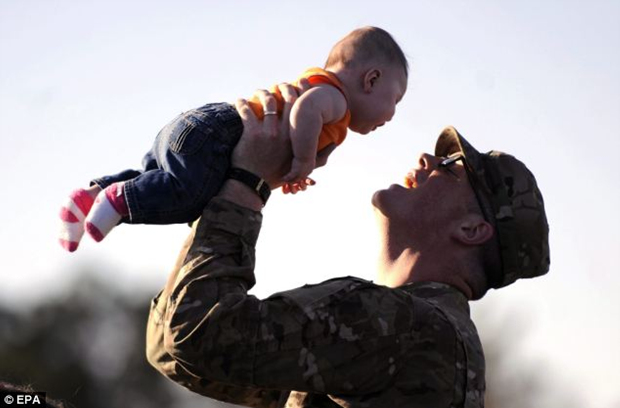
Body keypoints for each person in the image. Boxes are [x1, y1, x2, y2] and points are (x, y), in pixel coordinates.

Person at [144, 86, 550, 407]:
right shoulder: (414, 333)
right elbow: (174, 352)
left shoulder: (404, 326)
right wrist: (228, 185)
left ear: (471, 229)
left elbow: (198, 333)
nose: (426, 159)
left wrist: (247, 181)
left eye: (449, 167)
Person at [57, 26, 408, 252]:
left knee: (155, 176)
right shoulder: (336, 98)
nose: (392, 115)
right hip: (219, 137)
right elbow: (305, 112)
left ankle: (91, 195)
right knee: (189, 197)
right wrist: (303, 160)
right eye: (395, 99)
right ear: (371, 79)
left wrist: (295, 165)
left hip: (203, 125)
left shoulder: (322, 89)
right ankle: (120, 201)